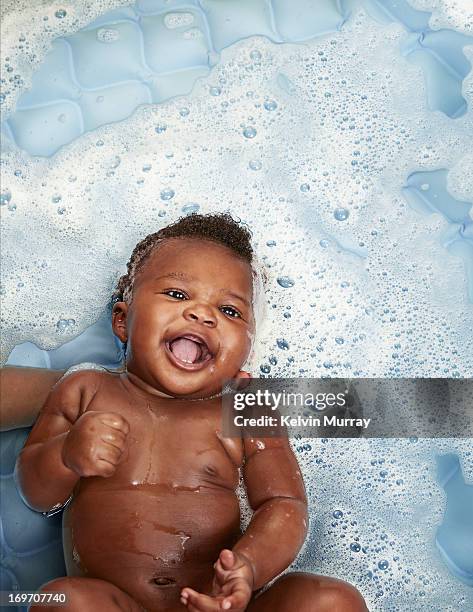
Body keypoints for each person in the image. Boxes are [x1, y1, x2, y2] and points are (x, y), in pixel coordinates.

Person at [12, 213, 367, 611]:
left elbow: (284, 505)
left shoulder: (246, 410)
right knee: (63, 601)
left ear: (247, 350)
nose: (203, 314)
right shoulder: (86, 391)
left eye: (230, 311)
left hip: (225, 605)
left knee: (331, 600)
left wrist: (248, 567)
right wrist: (66, 455)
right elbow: (37, 494)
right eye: (177, 295)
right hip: (117, 604)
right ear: (122, 321)